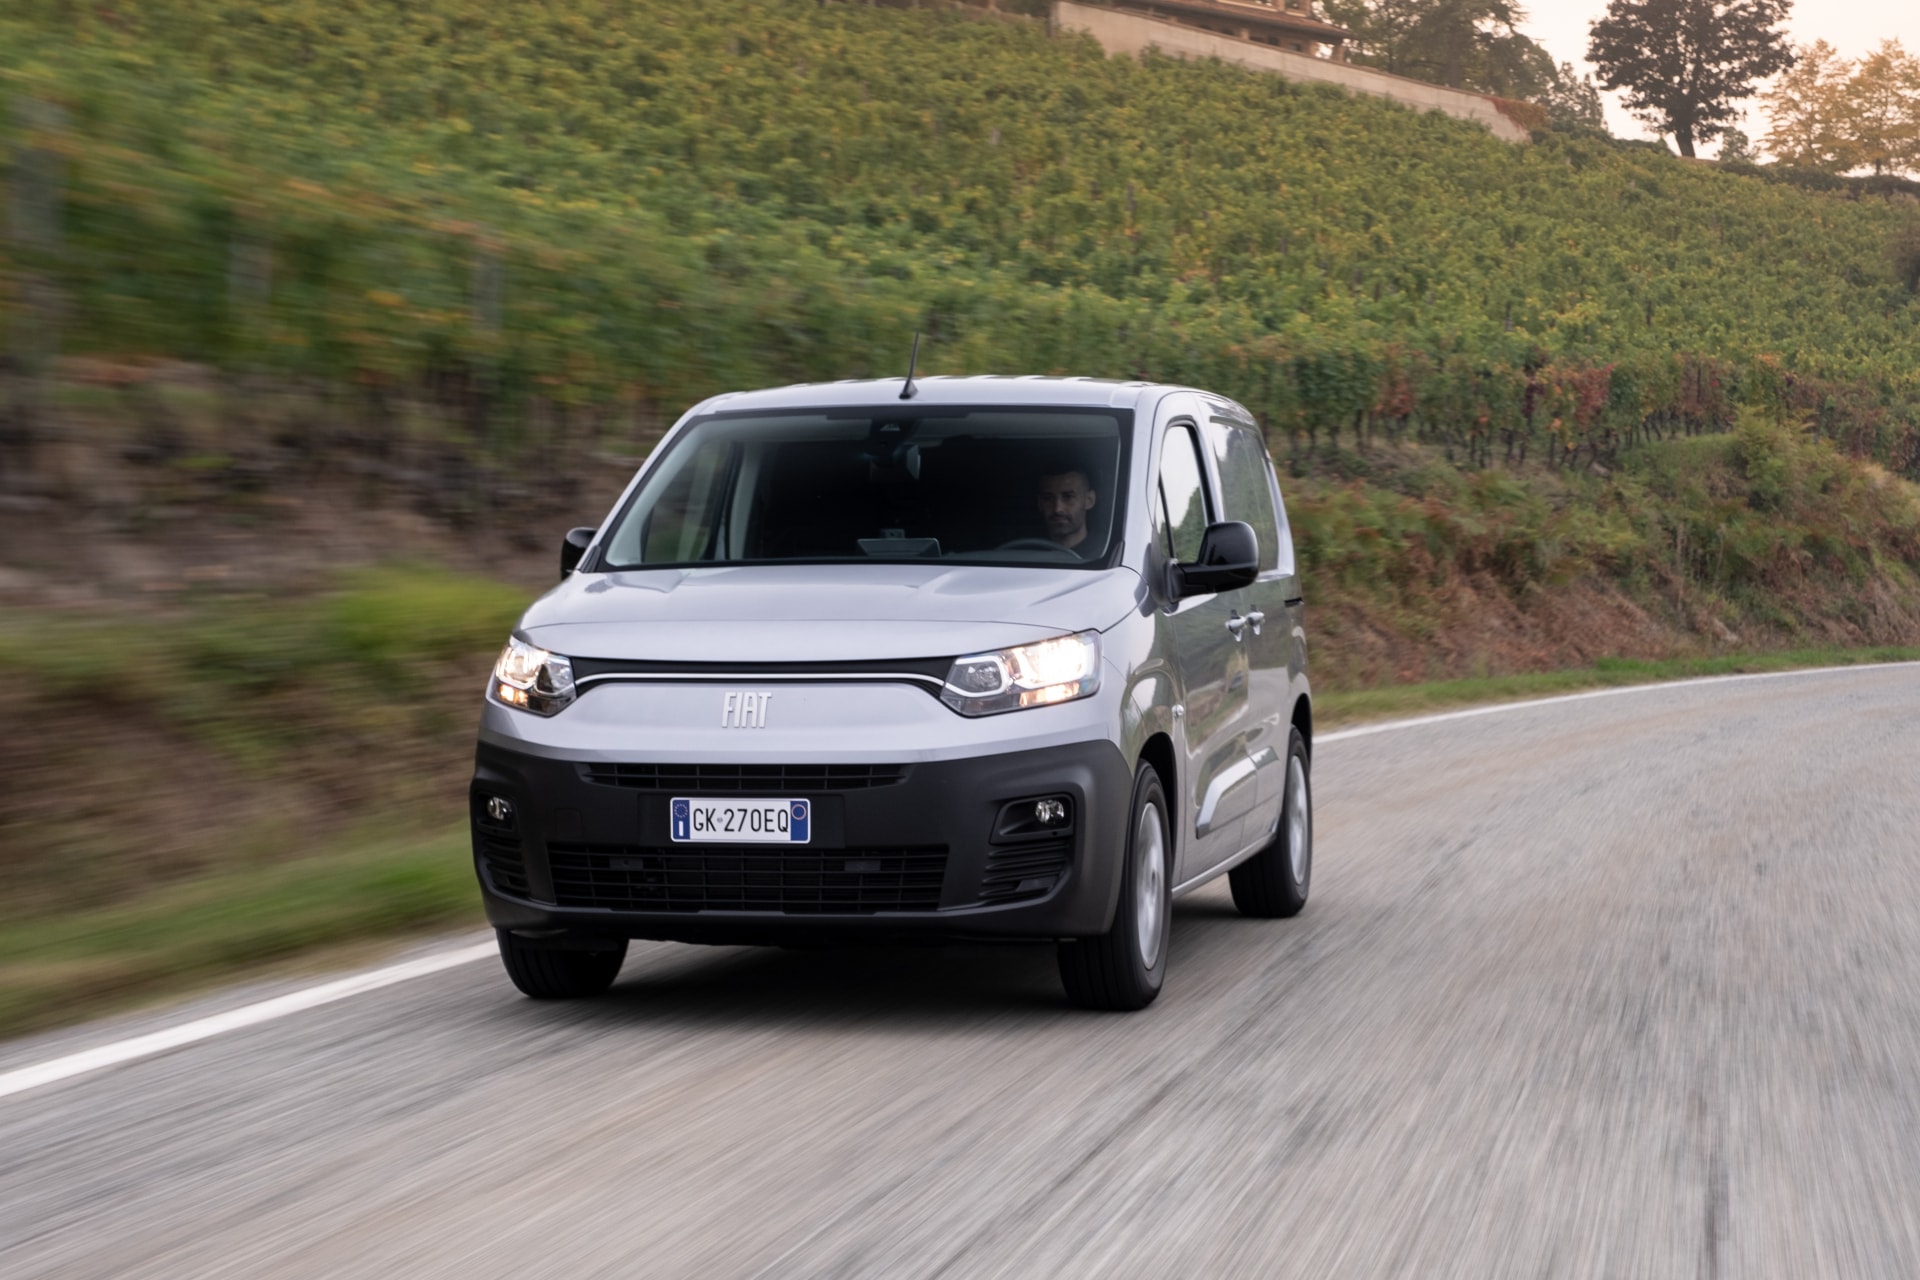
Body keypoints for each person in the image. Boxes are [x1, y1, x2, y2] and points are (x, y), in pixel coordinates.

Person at [1036, 463, 1099, 556]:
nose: (1057, 509)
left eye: (1068, 497)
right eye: (1048, 498)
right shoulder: (1023, 554)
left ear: (1089, 500)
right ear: (1039, 503)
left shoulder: (1104, 557)